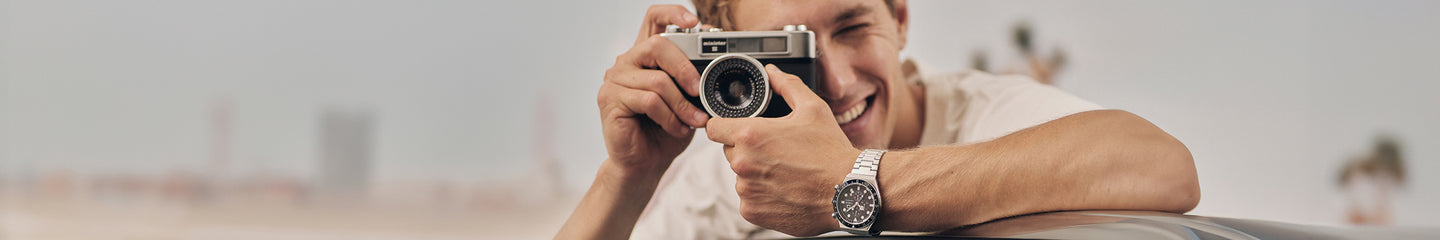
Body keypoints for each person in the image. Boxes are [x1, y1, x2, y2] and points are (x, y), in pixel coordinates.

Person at [556, 0, 1200, 239]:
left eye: (854, 25)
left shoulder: (987, 115)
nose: (835, 82)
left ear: (901, 19)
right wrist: (628, 176)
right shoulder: (728, 191)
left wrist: (852, 185)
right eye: (789, 51)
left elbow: (1163, 167)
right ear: (729, 59)